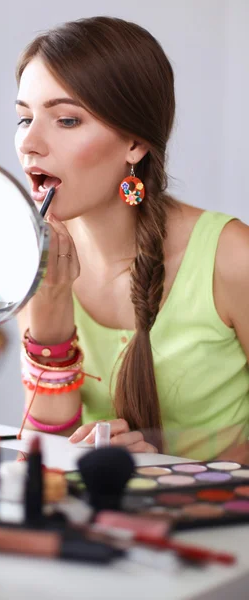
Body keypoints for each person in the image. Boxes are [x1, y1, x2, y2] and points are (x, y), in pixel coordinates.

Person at [14, 16, 249, 460]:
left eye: (65, 120)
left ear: (135, 145)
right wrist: (49, 314)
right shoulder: (36, 265)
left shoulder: (232, 257)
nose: (30, 142)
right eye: (25, 118)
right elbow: (47, 455)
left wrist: (165, 461)